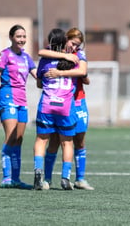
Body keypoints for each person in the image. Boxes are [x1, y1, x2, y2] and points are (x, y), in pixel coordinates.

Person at [37, 27, 94, 190]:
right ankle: (46, 179)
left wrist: (60, 73)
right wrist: (64, 56)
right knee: (54, 141)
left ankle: (80, 179)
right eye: (73, 43)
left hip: (78, 102)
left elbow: (83, 71)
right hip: (61, 104)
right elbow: (41, 52)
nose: (75, 48)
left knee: (80, 141)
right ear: (65, 39)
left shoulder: (79, 55)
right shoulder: (55, 52)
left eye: (78, 45)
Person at [0, 24, 37, 189]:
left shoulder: (26, 57)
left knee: (19, 140)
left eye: (24, 36)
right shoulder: (4, 55)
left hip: (22, 100)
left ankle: (16, 179)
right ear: (11, 38)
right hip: (7, 97)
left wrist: (54, 75)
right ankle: (6, 178)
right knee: (11, 137)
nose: (22, 39)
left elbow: (38, 78)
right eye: (18, 36)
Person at [33, 28, 79, 190]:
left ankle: (38, 175)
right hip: (65, 107)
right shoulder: (74, 60)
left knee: (41, 140)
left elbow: (39, 83)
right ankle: (65, 178)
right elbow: (84, 75)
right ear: (65, 42)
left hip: (47, 104)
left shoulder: (45, 60)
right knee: (67, 143)